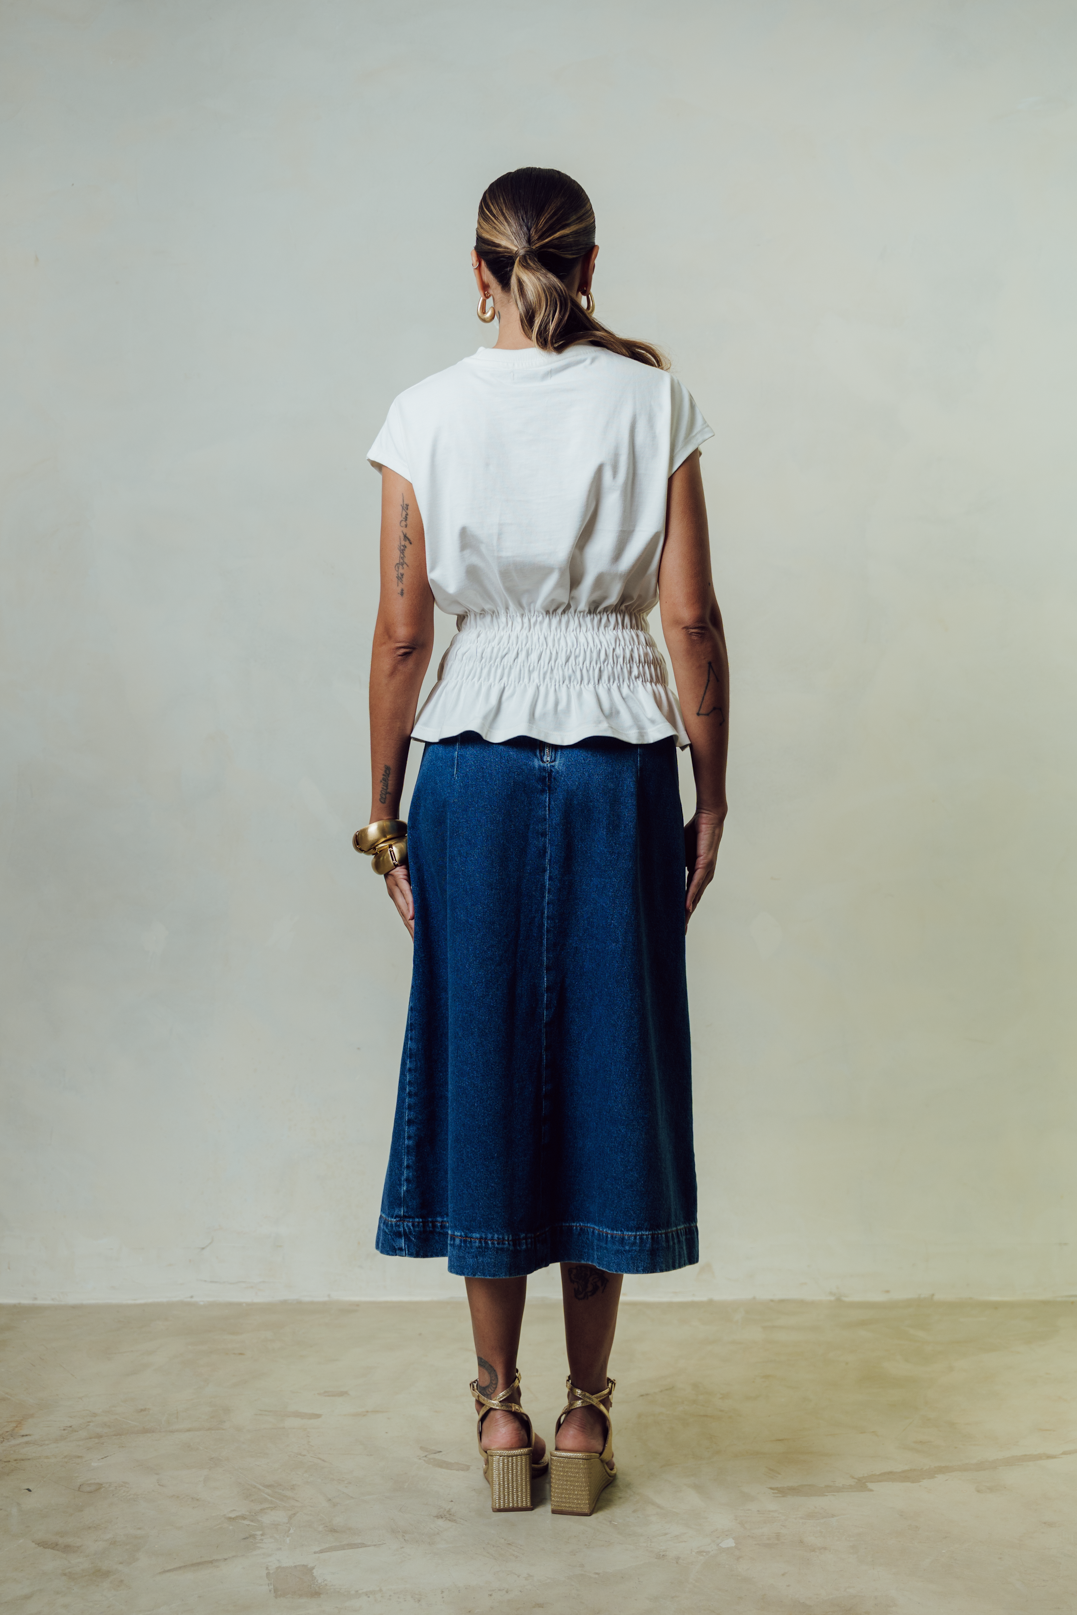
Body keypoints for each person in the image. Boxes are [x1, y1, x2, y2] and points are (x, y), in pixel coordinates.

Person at [357, 167, 728, 1516]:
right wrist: (712, 794)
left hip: (470, 768)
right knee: (611, 1064)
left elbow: (405, 633)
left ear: (478, 272)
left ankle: (498, 1408)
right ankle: (584, 1418)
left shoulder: (424, 412)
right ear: (590, 264)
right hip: (622, 761)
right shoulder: (654, 401)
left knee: (483, 1067)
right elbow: (689, 620)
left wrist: (385, 813)